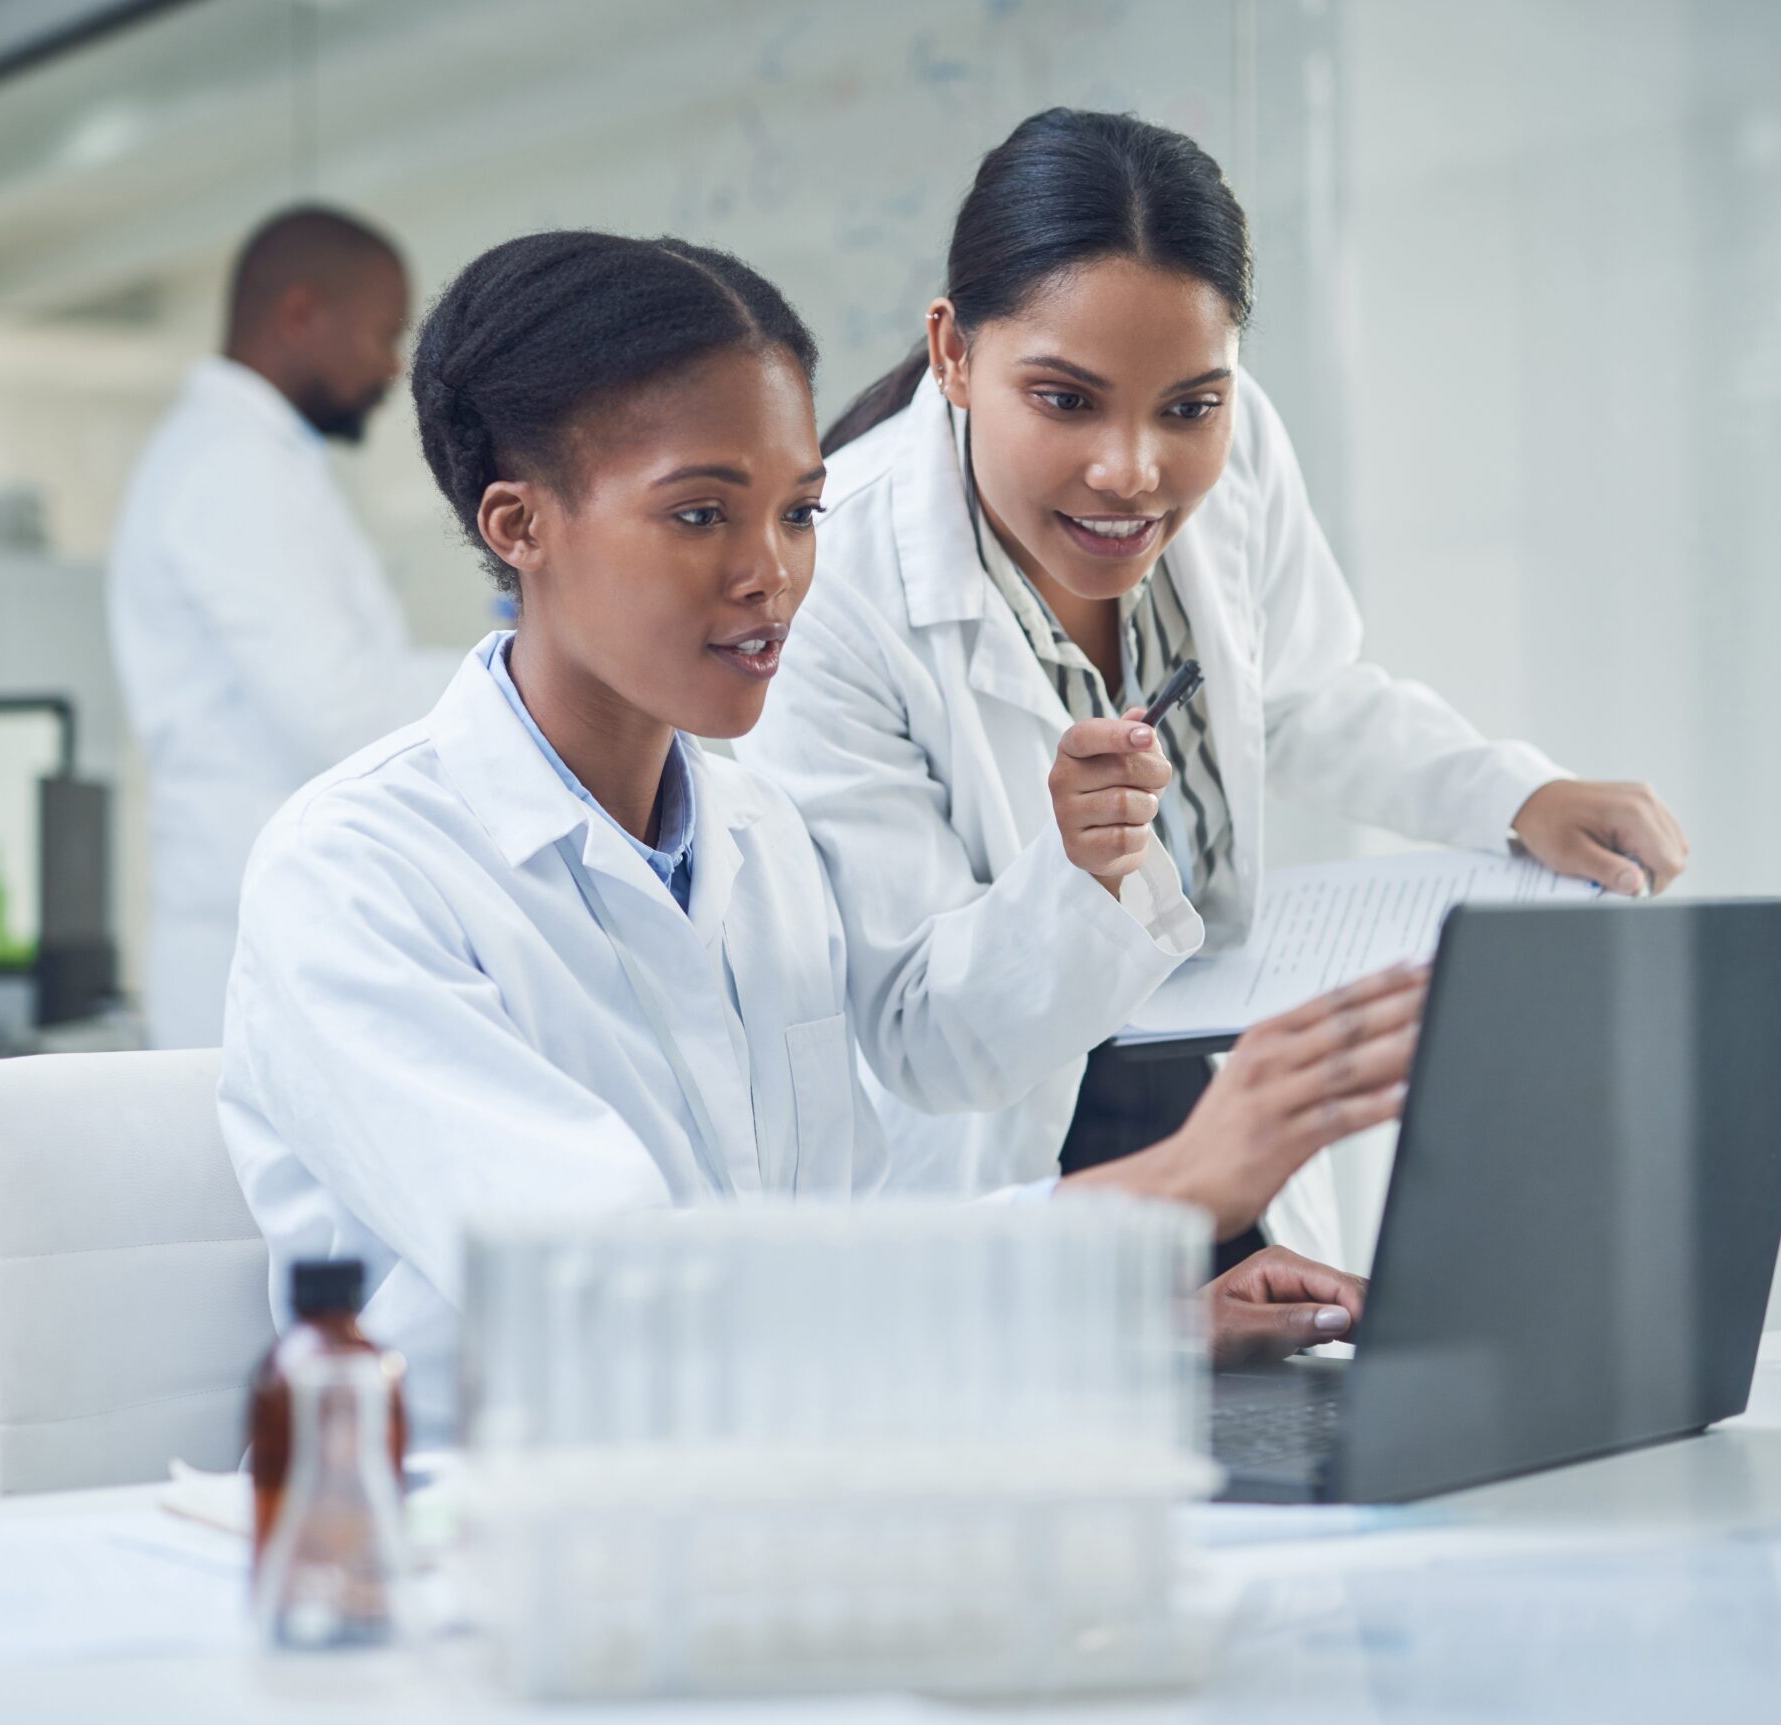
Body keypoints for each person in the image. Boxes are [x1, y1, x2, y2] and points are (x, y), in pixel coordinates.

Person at [219, 229, 1421, 1443]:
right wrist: (1161, 1189)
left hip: (764, 1500)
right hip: (478, 1543)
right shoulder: (357, 875)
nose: (771, 574)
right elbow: (621, 1298)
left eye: (800, 513)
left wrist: (1128, 1323)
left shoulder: (758, 844)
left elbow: (840, 1263)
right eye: (700, 515)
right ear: (519, 525)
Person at [736, 109, 1690, 1254]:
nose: (1133, 470)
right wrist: (1080, 874)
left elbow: (1294, 693)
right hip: (1008, 1166)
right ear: (953, 352)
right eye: (1065, 399)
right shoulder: (832, 582)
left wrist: (1508, 795)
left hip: (1217, 1095)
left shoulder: (1240, 448)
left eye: (1189, 405)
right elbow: (924, 1037)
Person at [110, 205, 458, 1050]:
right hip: (249, 949)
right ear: (300, 315)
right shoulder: (230, 468)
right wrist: (538, 670)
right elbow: (337, 713)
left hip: (270, 932)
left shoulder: (253, 462)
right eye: (382, 334)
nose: (392, 365)